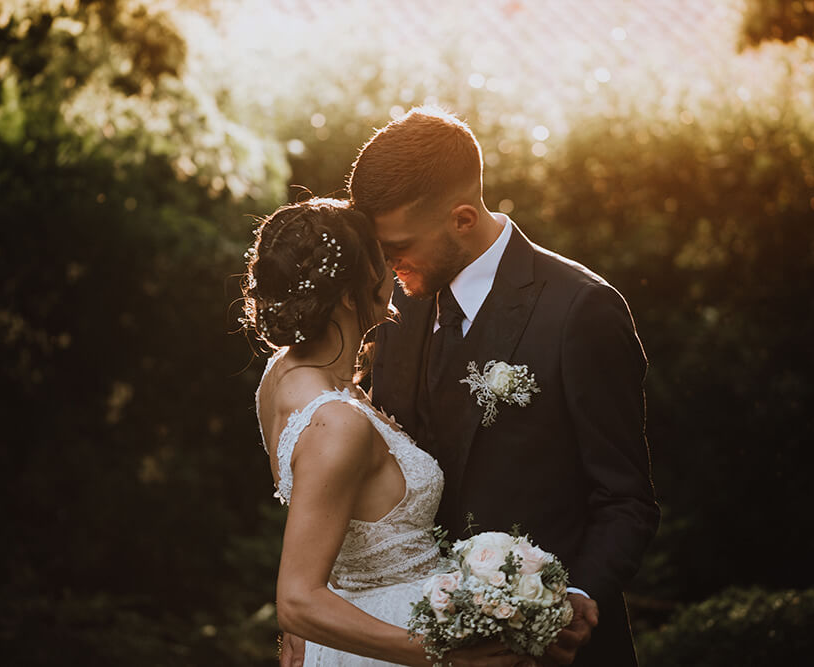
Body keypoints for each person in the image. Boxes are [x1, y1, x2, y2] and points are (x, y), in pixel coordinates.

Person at [338, 107, 659, 667]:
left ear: (463, 218)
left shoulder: (580, 311)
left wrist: (575, 600)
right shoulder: (397, 308)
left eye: (398, 247)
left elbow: (625, 499)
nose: (387, 268)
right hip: (414, 641)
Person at [244, 198, 527, 666]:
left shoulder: (280, 375)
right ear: (352, 295)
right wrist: (447, 657)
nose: (393, 270)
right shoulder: (337, 423)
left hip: (354, 632)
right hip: (392, 645)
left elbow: (324, 521)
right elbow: (296, 599)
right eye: (381, 262)